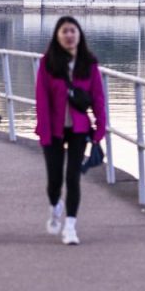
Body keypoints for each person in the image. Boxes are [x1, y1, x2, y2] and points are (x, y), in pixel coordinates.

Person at [34, 16, 107, 245]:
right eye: (64, 31)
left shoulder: (89, 63)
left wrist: (99, 127)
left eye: (72, 31)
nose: (68, 35)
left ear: (79, 35)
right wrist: (44, 131)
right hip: (53, 127)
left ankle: (71, 226)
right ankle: (56, 204)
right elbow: (41, 99)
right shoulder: (48, 63)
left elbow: (97, 97)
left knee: (72, 177)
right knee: (54, 179)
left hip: (78, 128)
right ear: (57, 35)